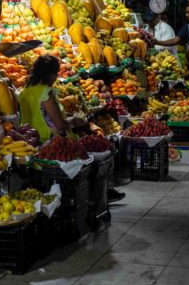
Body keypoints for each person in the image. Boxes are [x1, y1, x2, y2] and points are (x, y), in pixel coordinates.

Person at [19, 55, 125, 202]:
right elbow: (60, 126)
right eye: (56, 73)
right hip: (52, 144)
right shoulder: (45, 93)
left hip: (31, 144)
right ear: (51, 74)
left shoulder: (25, 92)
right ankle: (99, 195)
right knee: (95, 157)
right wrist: (75, 121)